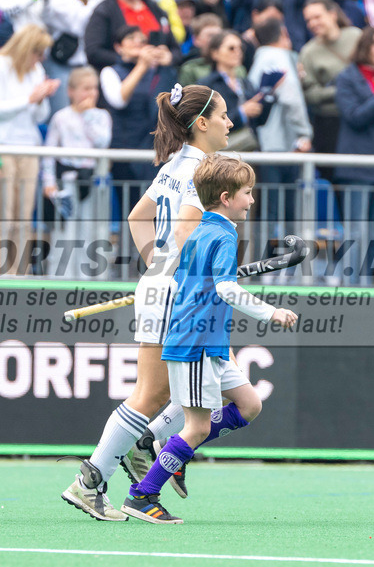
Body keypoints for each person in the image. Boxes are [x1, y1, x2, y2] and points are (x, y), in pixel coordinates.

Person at [61, 82, 232, 522]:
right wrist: (183, 270)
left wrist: (156, 265)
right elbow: (186, 230)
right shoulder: (205, 170)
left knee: (201, 387)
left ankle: (144, 447)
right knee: (152, 393)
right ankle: (91, 479)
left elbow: (139, 217)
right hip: (177, 292)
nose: (230, 123)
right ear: (202, 123)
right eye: (224, 116)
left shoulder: (177, 163)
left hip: (162, 285)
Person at [122, 154, 297, 524]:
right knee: (197, 427)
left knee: (249, 404)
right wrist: (271, 312)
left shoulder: (204, 229)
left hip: (209, 340)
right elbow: (226, 290)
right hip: (195, 342)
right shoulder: (220, 233)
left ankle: (170, 449)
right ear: (225, 196)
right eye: (247, 193)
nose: (252, 200)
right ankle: (143, 494)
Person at [0, 24, 57, 275]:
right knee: (4, 213)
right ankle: (1, 272)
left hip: (29, 146)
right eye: (38, 53)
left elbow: (40, 116)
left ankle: (20, 273)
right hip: (3, 146)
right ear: (26, 49)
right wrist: (29, 99)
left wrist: (41, 99)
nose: (41, 59)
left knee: (23, 216)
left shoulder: (36, 69)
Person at [333, 26, 374, 284]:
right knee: (356, 230)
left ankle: (370, 285)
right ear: (365, 46)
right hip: (356, 164)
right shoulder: (347, 78)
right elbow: (355, 117)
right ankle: (351, 284)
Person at [39, 66, 112, 271]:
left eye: (94, 89)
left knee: (90, 230)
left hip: (92, 180)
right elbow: (49, 152)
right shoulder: (61, 117)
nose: (91, 93)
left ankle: (89, 277)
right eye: (85, 89)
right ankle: (60, 276)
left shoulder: (101, 116)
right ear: (71, 91)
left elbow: (102, 141)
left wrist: (88, 115)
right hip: (67, 181)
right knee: (65, 231)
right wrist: (49, 182)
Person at [101, 25, 178, 213]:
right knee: (131, 210)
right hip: (124, 151)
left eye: (142, 39)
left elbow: (172, 103)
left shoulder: (156, 72)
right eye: (131, 38)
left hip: (152, 150)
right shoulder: (110, 71)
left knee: (156, 212)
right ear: (118, 47)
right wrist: (142, 65)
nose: (138, 42)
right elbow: (119, 100)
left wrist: (168, 66)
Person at [247, 17, 312, 238]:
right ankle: (280, 269)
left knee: (269, 209)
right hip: (280, 145)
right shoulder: (276, 57)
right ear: (284, 32)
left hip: (267, 143)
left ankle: (266, 268)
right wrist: (305, 133)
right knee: (282, 212)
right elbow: (290, 97)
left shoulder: (261, 58)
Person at [42, 0, 105, 114]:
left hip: (81, 63)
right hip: (60, 63)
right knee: (62, 113)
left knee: (84, 113)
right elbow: (79, 24)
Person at [299, 0, 361, 155]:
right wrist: (342, 91)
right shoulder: (308, 52)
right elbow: (310, 94)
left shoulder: (356, 36)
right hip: (330, 122)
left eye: (317, 17)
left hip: (361, 116)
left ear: (332, 14)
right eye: (308, 20)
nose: (313, 23)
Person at [197, 28, 268, 151]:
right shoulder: (207, 85)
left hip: (250, 150)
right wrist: (242, 113)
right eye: (231, 48)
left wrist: (269, 94)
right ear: (215, 53)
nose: (237, 52)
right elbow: (206, 123)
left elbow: (261, 120)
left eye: (240, 48)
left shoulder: (246, 83)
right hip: (222, 154)